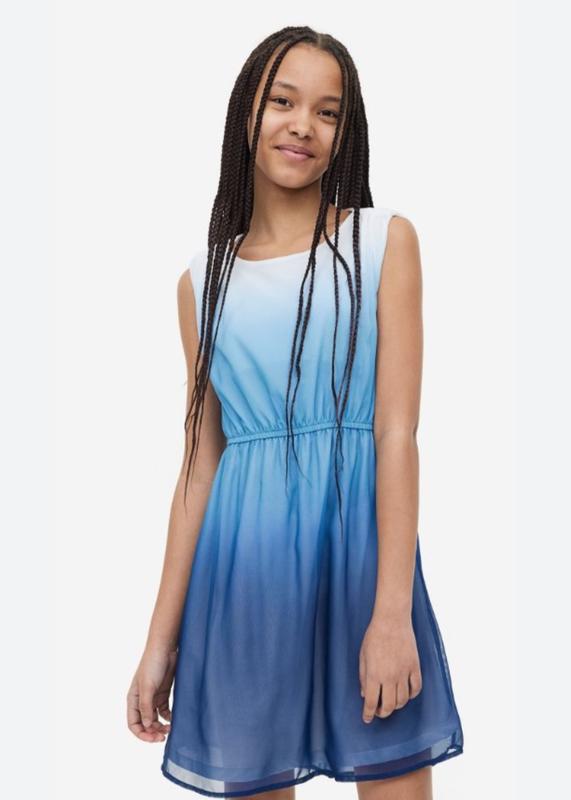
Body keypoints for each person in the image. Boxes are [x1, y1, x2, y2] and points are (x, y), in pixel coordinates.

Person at [127, 26, 464, 800]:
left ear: (346, 131)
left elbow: (396, 433)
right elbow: (200, 466)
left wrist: (391, 613)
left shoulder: (382, 242)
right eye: (282, 101)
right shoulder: (201, 283)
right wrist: (158, 642)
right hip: (242, 578)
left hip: (359, 566)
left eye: (327, 111)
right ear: (246, 112)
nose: (302, 125)